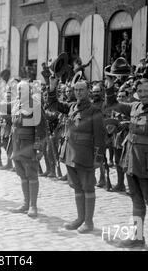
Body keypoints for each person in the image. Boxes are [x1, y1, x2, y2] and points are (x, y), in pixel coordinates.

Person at [105, 71, 148, 251]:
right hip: (131, 162)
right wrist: (111, 85)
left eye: (146, 91)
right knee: (136, 201)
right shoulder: (134, 107)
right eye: (140, 92)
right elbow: (112, 104)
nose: (143, 94)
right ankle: (137, 238)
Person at [47, 78, 105, 233]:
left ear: (88, 91)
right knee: (77, 187)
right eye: (76, 90)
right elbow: (53, 105)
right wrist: (52, 87)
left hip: (85, 154)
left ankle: (88, 222)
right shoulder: (72, 107)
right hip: (70, 154)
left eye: (82, 90)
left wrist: (98, 158)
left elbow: (100, 136)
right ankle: (80, 218)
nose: (79, 92)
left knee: (88, 187)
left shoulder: (94, 111)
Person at [10, 80, 46, 218]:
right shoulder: (17, 105)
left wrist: (39, 148)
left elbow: (41, 128)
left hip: (29, 145)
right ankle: (25, 203)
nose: (19, 93)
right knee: (22, 175)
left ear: (29, 91)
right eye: (18, 90)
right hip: (17, 145)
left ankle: (33, 206)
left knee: (31, 175)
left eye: (22, 90)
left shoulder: (35, 105)